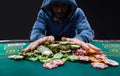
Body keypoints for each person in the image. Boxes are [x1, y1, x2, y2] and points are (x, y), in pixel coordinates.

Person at [22, 0, 101, 53]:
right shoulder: (43, 13)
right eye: (55, 6)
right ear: (50, 6)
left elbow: (88, 31)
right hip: (49, 50)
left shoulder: (77, 13)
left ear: (69, 5)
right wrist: (41, 38)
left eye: (63, 6)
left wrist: (78, 39)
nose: (59, 10)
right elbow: (35, 32)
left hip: (72, 50)